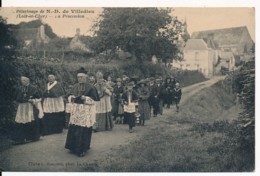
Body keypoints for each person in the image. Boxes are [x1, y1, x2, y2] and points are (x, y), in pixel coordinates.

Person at [65, 68, 100, 157]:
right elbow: (69, 96)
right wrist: (71, 98)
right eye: (78, 77)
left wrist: (86, 99)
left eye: (81, 77)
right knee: (74, 127)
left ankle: (82, 149)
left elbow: (95, 101)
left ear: (85, 78)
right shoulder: (74, 86)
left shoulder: (91, 87)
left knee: (83, 129)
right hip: (76, 110)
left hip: (85, 111)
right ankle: (72, 147)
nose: (79, 79)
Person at [12, 75, 43, 145]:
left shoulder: (33, 88)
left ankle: (31, 137)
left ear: (28, 81)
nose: (22, 82)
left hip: (30, 107)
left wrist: (33, 100)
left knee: (29, 120)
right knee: (21, 120)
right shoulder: (20, 88)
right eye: (22, 80)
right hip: (21, 107)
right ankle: (20, 138)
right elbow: (16, 97)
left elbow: (39, 98)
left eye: (24, 80)